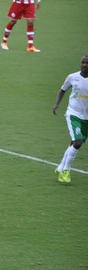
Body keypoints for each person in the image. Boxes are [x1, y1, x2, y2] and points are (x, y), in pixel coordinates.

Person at [52, 55, 88, 184]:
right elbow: (62, 90)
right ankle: (65, 171)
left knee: (74, 142)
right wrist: (57, 104)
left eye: (87, 63)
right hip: (73, 114)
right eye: (83, 62)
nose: (84, 65)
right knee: (77, 142)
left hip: (86, 118)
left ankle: (60, 166)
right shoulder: (73, 77)